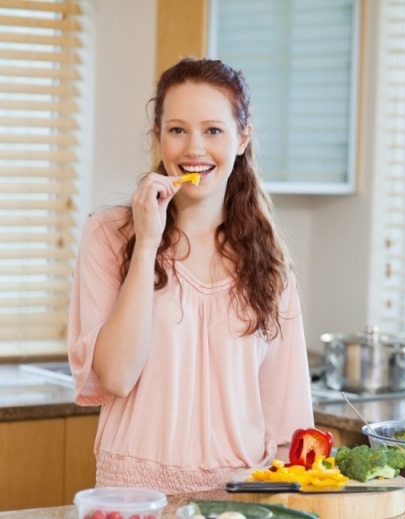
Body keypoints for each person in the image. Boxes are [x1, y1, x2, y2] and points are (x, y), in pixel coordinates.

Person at [67, 57, 315, 494]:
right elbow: (117, 376)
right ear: (158, 137)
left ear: (242, 139)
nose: (194, 149)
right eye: (177, 130)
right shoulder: (109, 236)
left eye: (213, 130)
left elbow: (287, 423)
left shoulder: (268, 263)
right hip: (132, 493)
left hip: (240, 493)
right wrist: (146, 244)